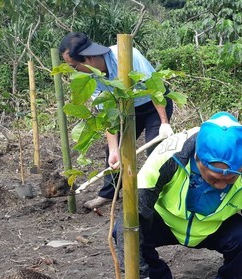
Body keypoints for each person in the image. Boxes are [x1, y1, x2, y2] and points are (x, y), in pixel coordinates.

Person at [114, 112, 242, 279]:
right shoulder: (168, 156)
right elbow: (134, 213)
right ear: (197, 157)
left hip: (214, 228)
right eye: (213, 178)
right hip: (166, 222)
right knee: (124, 228)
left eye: (229, 181)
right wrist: (138, 274)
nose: (220, 186)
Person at [59, 32, 174, 209]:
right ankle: (108, 193)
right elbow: (107, 113)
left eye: (74, 66)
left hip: (153, 105)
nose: (74, 71)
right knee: (113, 151)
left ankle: (160, 195)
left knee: (154, 149)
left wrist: (164, 123)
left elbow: (154, 87)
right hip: (126, 110)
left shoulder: (127, 55)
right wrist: (114, 149)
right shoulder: (92, 76)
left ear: (87, 59)